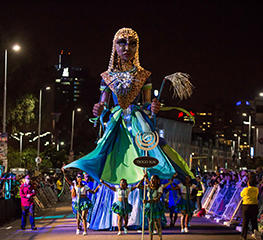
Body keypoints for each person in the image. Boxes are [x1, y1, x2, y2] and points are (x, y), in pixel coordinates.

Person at [63, 27, 194, 230]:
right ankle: (111, 217)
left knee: (147, 156)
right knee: (112, 158)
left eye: (132, 43)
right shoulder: (107, 76)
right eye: (122, 42)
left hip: (137, 120)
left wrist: (153, 108)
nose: (127, 47)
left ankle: (140, 216)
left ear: (137, 47)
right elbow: (103, 103)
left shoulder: (144, 75)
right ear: (114, 46)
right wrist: (99, 109)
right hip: (116, 122)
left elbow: (149, 106)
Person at [62, 167, 101, 235]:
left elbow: (93, 192)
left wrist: (97, 187)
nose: (79, 179)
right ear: (77, 179)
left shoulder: (85, 186)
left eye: (80, 178)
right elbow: (67, 180)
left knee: (83, 216)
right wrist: (64, 172)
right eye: (78, 178)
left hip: (84, 201)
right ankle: (77, 228)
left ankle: (85, 230)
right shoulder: (75, 185)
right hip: (78, 201)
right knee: (78, 216)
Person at [140, 173, 174, 240]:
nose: (152, 180)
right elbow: (138, 186)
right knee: (150, 224)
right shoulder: (148, 186)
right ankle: (150, 238)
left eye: (154, 179)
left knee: (157, 224)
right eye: (151, 179)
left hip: (156, 206)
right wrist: (143, 178)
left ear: (157, 180)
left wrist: (147, 201)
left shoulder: (160, 187)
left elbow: (157, 199)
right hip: (149, 207)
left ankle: (160, 238)